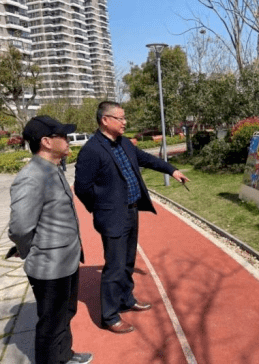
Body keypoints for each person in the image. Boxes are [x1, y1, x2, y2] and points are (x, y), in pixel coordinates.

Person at [74, 101, 189, 334]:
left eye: (125, 118)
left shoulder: (125, 143)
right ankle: (109, 316)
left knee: (127, 261)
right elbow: (82, 188)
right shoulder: (92, 150)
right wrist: (102, 207)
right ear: (105, 120)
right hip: (111, 216)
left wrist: (171, 170)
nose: (125, 122)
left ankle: (126, 299)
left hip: (131, 211)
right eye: (120, 118)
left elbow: (147, 159)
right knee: (114, 267)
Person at [8, 116, 93, 364]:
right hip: (49, 265)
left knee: (66, 313)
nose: (68, 141)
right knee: (51, 322)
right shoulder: (31, 176)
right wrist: (29, 251)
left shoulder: (52, 169)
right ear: (46, 142)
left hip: (66, 259)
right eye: (63, 136)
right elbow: (20, 228)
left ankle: (64, 356)